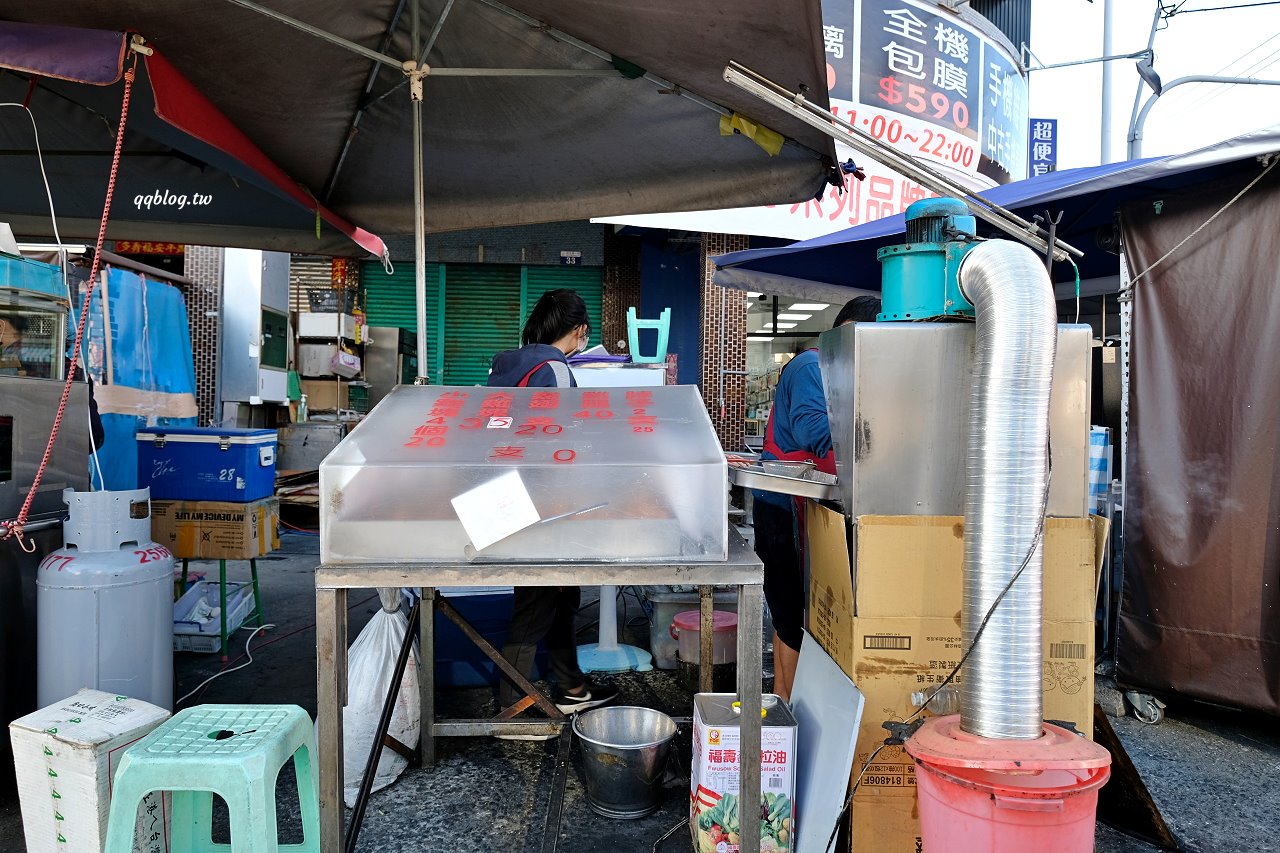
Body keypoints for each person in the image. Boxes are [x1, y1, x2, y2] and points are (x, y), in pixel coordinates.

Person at [486, 289, 617, 737]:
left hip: (504, 496)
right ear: (579, 330)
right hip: (542, 501)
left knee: (559, 594)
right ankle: (513, 708)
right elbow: (561, 445)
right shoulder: (556, 370)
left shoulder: (507, 364)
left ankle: (572, 688)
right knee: (536, 602)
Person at [753, 295, 881, 701]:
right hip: (785, 506)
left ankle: (782, 700)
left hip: (799, 503)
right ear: (850, 333)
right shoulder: (811, 366)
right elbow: (815, 432)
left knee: (791, 610)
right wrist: (880, 434)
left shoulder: (829, 369)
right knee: (792, 612)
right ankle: (789, 706)